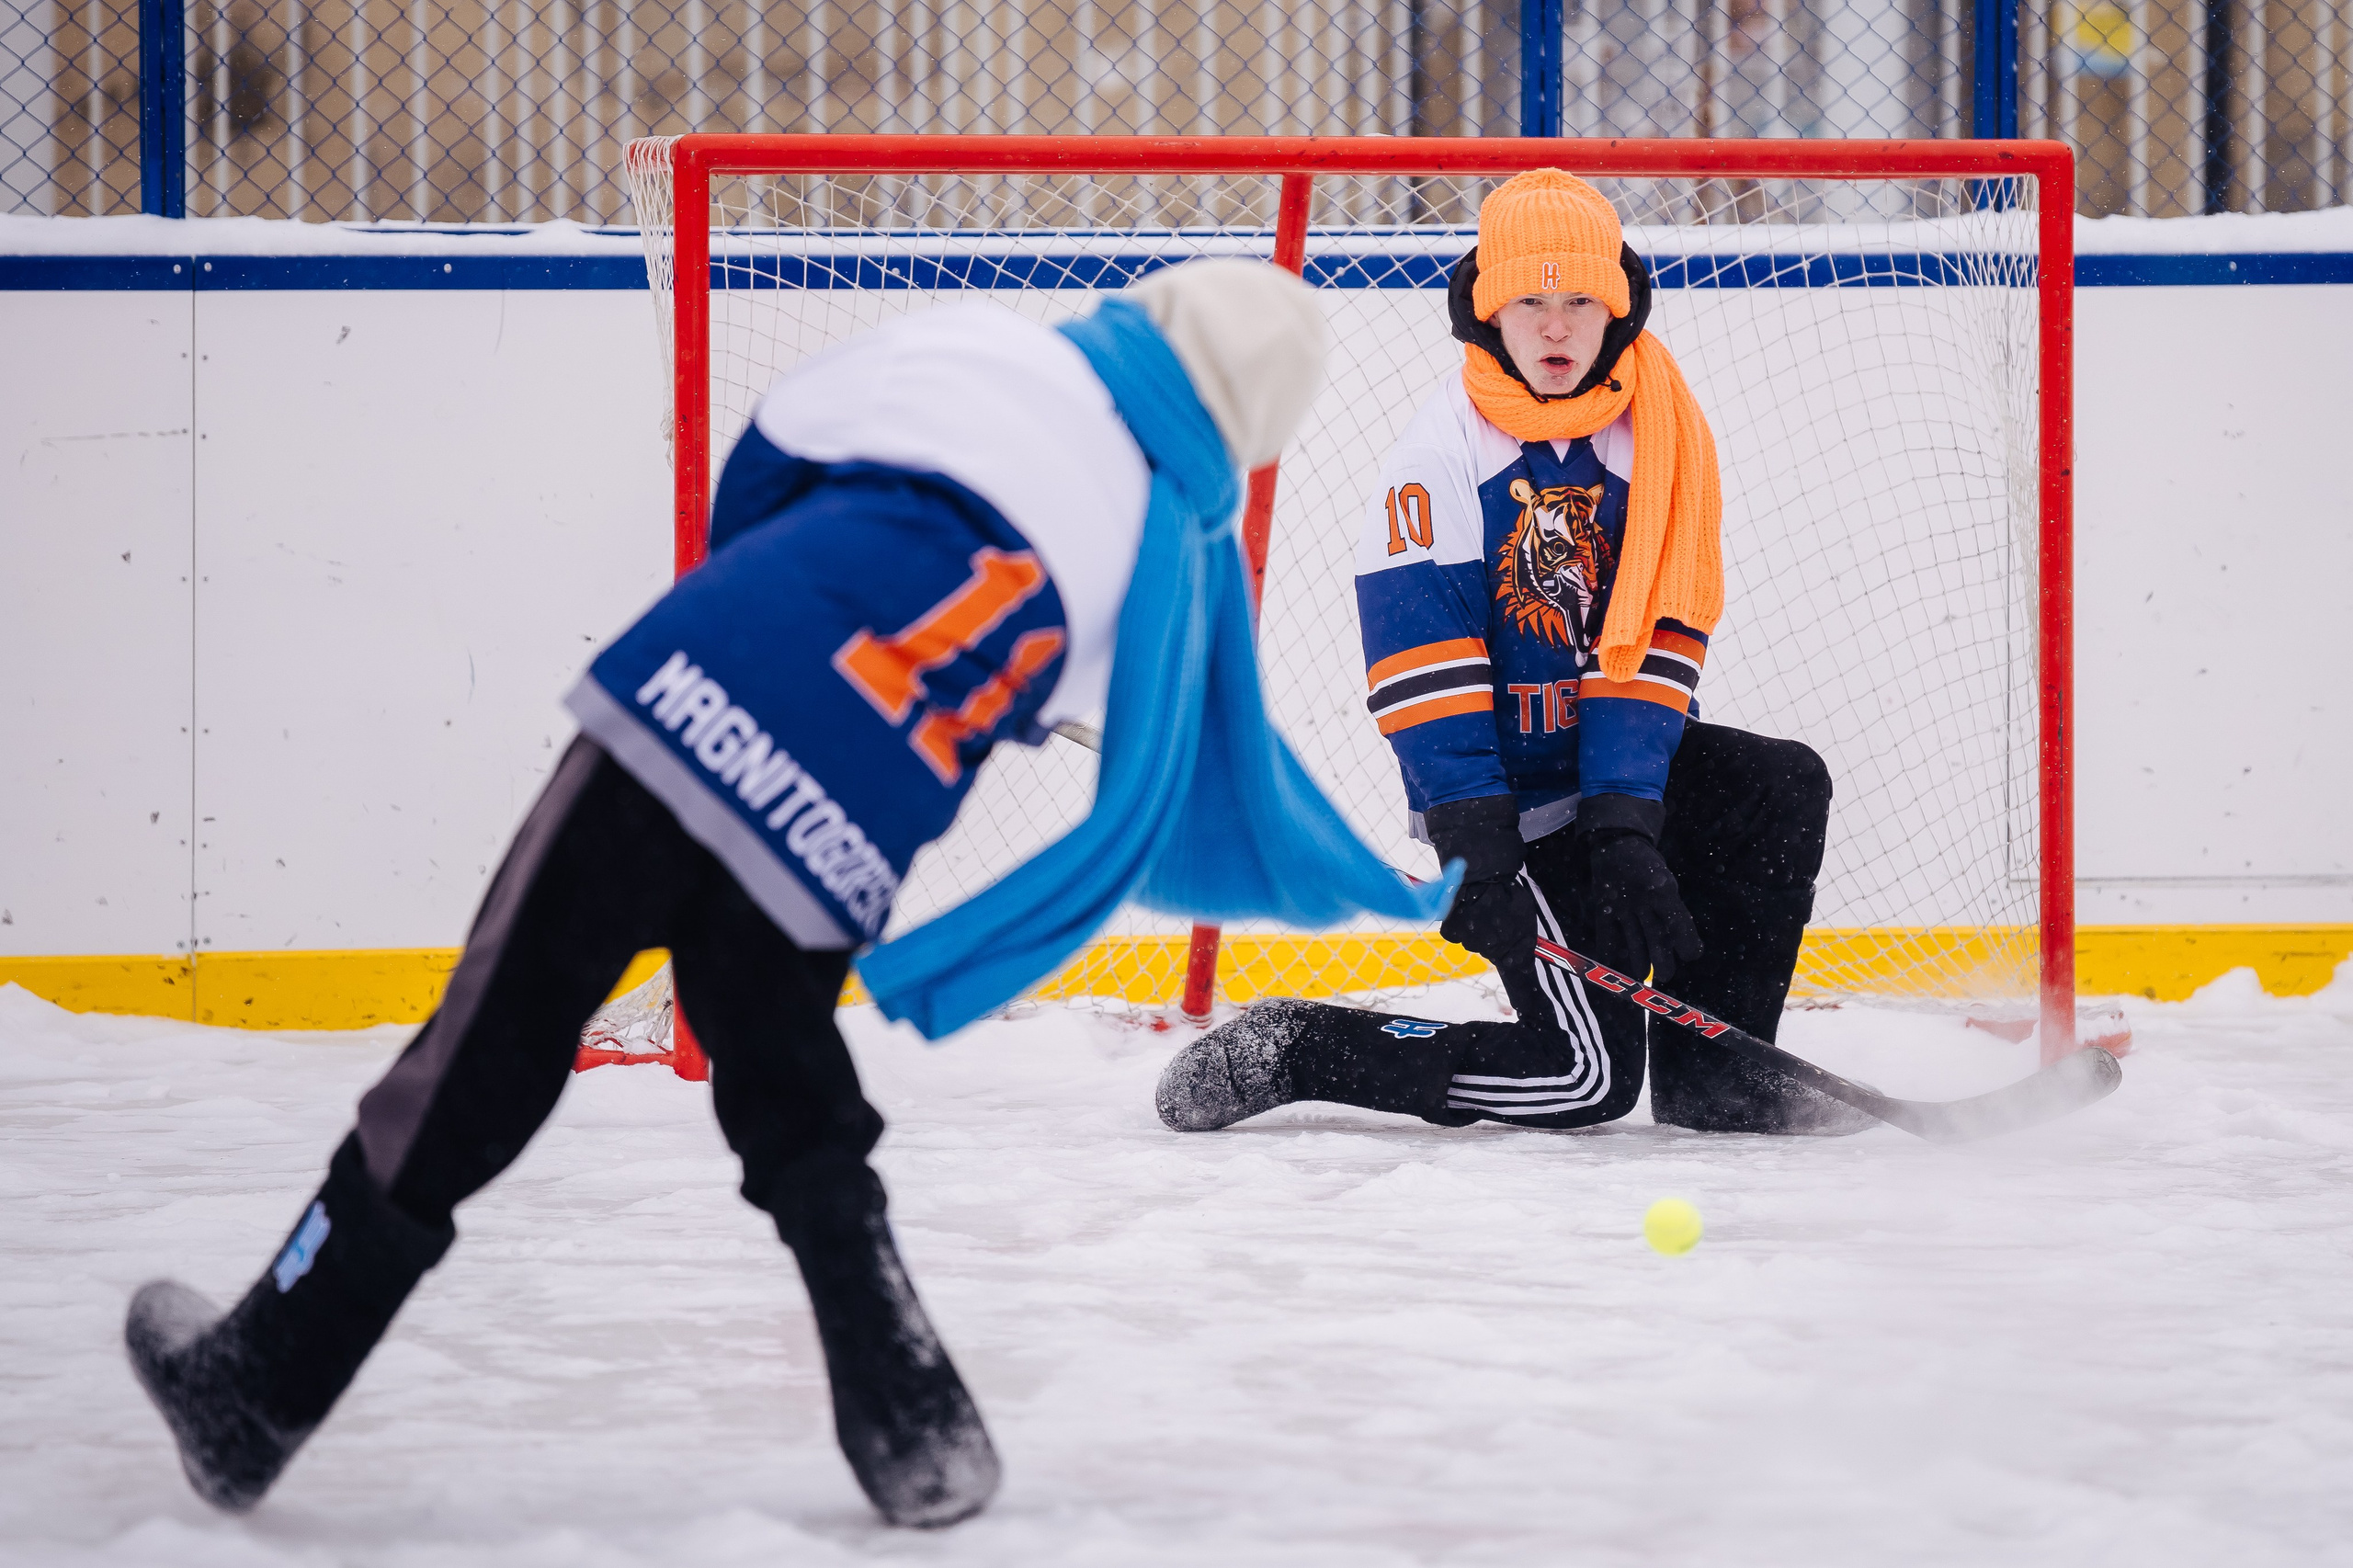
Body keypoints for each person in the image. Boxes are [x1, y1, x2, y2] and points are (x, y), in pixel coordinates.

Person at [124, 257, 1450, 1526]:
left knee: (496, 1031)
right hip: (857, 811)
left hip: (698, 698)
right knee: (785, 1076)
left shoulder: (989, 353)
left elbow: (772, 445)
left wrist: (768, 601)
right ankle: (913, 1416)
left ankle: (261, 1378)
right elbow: (1062, 716)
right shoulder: (1166, 566)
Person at [1155, 170, 1867, 1140]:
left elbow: (1651, 641)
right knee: (1580, 1080)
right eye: (1529, 301)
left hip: (1602, 774)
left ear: (1616, 303)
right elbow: (1422, 665)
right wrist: (1478, 850)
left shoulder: (1652, 428)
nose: (1556, 327)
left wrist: (1623, 817)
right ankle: (1301, 1045)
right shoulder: (1441, 451)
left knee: (1774, 783)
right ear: (1489, 308)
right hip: (1511, 806)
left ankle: (1719, 1080)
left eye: (1578, 299)